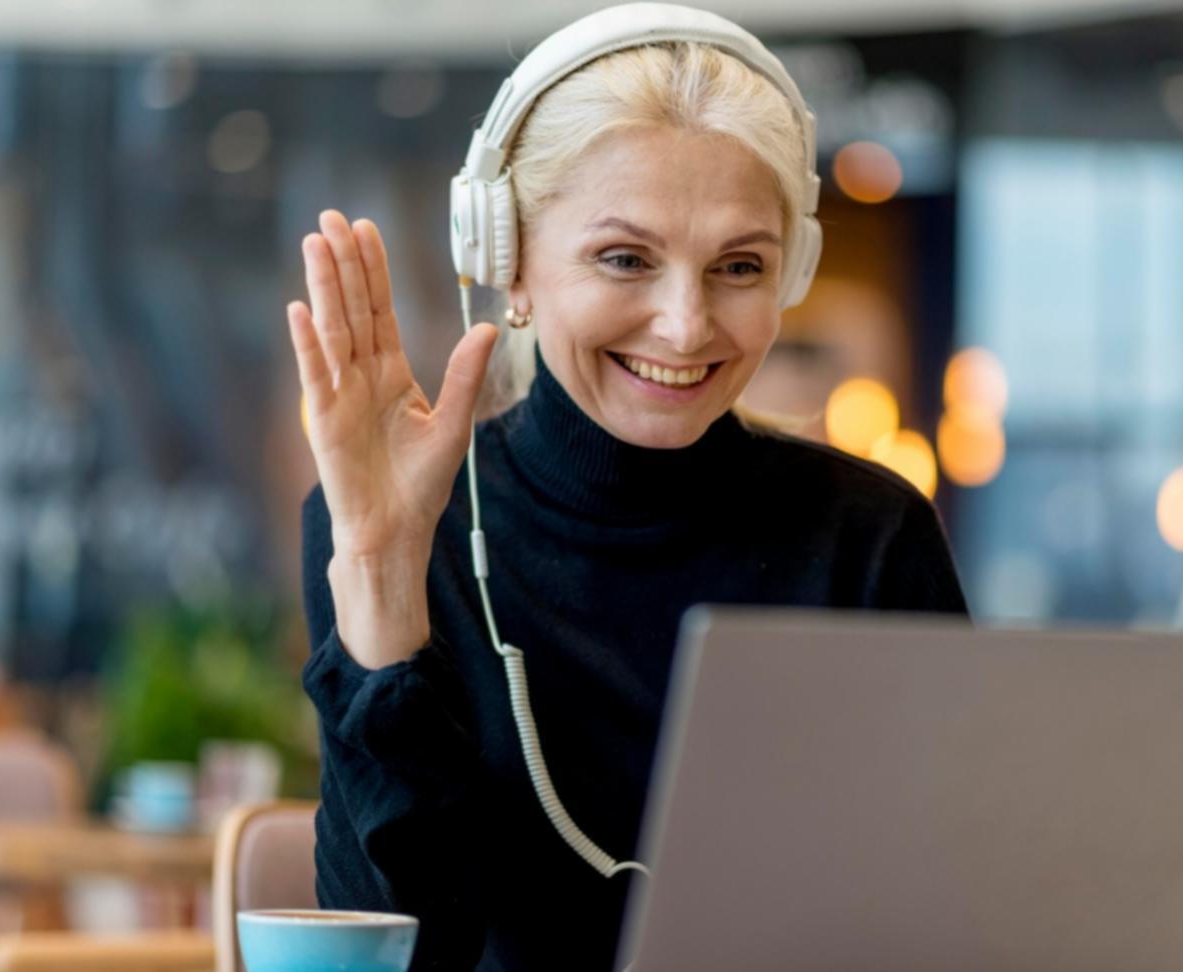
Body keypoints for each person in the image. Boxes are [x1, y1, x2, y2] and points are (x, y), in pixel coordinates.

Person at [286, 6, 969, 969]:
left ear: (791, 273)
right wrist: (381, 575)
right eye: (624, 258)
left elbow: (947, 912)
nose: (686, 326)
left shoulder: (868, 535)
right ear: (509, 258)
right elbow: (396, 954)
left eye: (738, 267)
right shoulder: (393, 525)